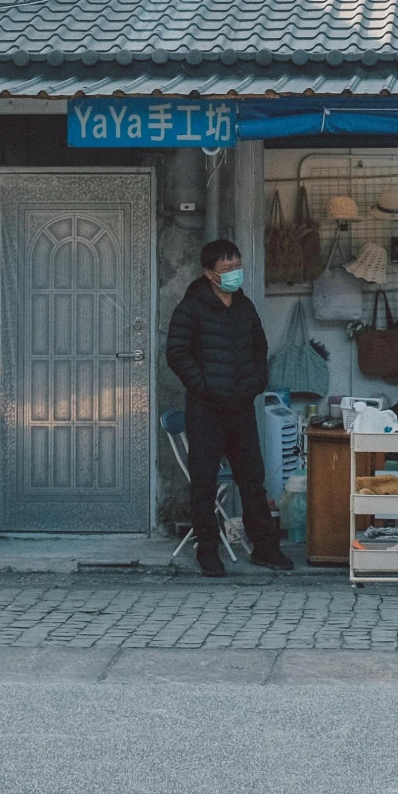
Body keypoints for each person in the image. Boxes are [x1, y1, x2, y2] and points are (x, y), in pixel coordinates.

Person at [165, 238, 293, 578]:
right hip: (206, 409)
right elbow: (176, 354)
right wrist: (205, 386)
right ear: (209, 273)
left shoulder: (244, 306)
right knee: (204, 482)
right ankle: (208, 551)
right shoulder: (190, 308)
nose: (235, 273)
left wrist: (255, 383)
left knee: (253, 479)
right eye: (227, 269)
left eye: (238, 266)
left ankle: (265, 547)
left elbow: (258, 347)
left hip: (241, 408)